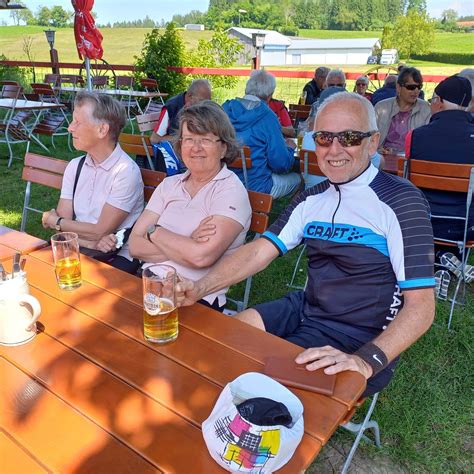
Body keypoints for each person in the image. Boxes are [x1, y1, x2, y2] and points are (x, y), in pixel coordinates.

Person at [177, 92, 435, 397]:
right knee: (223, 339)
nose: (334, 149)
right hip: (306, 308)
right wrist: (201, 287)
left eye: (349, 137)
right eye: (324, 138)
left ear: (373, 141)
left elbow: (421, 306)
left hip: (360, 336)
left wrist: (367, 361)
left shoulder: (400, 201)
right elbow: (260, 251)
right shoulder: (312, 198)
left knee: (254, 388)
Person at [129, 101, 252, 311]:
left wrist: (154, 232)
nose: (195, 148)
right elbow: (134, 246)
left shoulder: (230, 192)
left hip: (194, 298)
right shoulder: (169, 184)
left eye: (205, 140)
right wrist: (188, 242)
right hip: (147, 285)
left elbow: (200, 257)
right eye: (188, 140)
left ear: (223, 147)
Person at [42, 91, 144, 274]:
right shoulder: (75, 166)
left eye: (77, 122)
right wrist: (89, 241)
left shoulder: (126, 172)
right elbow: (62, 233)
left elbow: (98, 230)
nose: (70, 128)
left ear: (102, 130)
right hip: (84, 248)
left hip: (116, 255)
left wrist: (55, 220)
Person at [405, 75, 474, 276]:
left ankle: (439, 260)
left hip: (421, 220)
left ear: (440, 103)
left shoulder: (416, 136)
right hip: (467, 225)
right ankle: (446, 258)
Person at [222, 70, 301, 198]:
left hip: (224, 183)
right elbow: (280, 164)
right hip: (256, 187)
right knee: (299, 179)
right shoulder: (268, 117)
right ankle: (285, 216)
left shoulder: (224, 109)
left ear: (247, 89)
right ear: (269, 96)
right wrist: (290, 149)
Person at [375, 67, 431, 154]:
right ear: (398, 87)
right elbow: (370, 137)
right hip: (382, 158)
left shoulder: (426, 109)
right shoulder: (381, 107)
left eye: (419, 87)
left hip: (412, 160)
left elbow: (427, 143)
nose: (416, 91)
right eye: (411, 87)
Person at [150, 79, 211, 144]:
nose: (205, 105)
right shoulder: (171, 108)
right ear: (190, 96)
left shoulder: (203, 107)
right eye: (202, 101)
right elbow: (154, 139)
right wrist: (182, 138)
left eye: (209, 101)